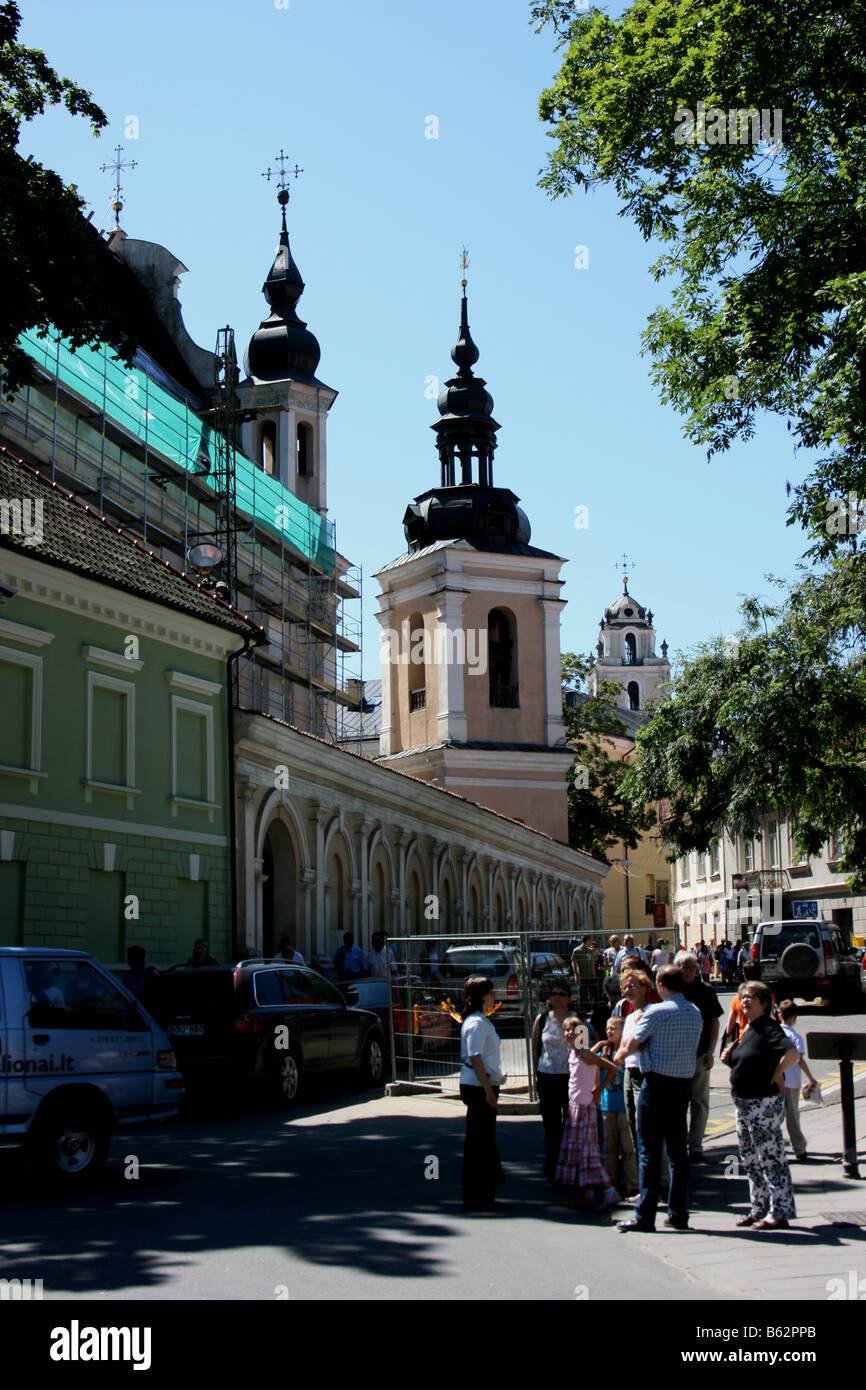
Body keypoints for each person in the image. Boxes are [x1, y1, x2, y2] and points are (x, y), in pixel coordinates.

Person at [616, 965, 703, 1233]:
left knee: (649, 1152)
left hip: (655, 1084)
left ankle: (645, 1215)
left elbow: (631, 1045)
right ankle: (679, 1213)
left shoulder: (656, 1012)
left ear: (660, 985)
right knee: (678, 1153)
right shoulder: (695, 1012)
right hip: (682, 1085)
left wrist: (619, 1055)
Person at [721, 980, 800, 1229]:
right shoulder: (749, 1029)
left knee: (770, 1156)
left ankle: (781, 1209)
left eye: (751, 997)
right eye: (743, 997)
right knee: (750, 1159)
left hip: (762, 1103)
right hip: (743, 1104)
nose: (745, 1001)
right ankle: (758, 1207)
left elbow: (792, 1053)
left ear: (764, 1003)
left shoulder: (768, 1027)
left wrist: (778, 1072)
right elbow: (747, 1061)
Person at [554, 1016, 620, 1211]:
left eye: (574, 1029)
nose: (569, 1033)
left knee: (588, 1153)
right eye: (566, 1029)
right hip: (575, 1106)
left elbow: (612, 1068)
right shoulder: (575, 1054)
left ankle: (609, 1191)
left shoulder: (584, 1054)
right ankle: (588, 1193)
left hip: (584, 1108)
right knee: (582, 1154)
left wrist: (598, 1090)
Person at [459, 976, 505, 1212]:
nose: (494, 996)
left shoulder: (479, 1020)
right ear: (481, 995)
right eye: (490, 992)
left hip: (481, 1085)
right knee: (481, 1141)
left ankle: (480, 1193)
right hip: (479, 1086)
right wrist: (489, 1092)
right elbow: (475, 1058)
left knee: (481, 1140)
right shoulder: (476, 1023)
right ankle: (479, 1195)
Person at [674, 951, 723, 1163]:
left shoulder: (706, 991)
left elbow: (714, 1022)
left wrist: (711, 1052)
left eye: (690, 967)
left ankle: (695, 1145)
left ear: (697, 969)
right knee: (678, 1103)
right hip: (675, 1057)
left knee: (699, 1102)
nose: (687, 971)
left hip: (700, 1055)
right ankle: (679, 1143)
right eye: (683, 967)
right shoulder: (672, 990)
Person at [531, 981, 574, 1186]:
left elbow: (583, 1051)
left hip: (570, 1078)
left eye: (562, 994)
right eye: (554, 994)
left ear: (569, 998)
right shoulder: (541, 1020)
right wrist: (538, 1075)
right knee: (551, 1126)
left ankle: (570, 1166)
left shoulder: (577, 1021)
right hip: (548, 1077)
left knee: (571, 1125)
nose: (557, 997)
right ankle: (553, 1166)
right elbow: (536, 1049)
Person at [593, 1016, 639, 1197]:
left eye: (614, 1028)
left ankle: (632, 1183)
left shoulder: (627, 1050)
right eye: (608, 1028)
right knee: (609, 1147)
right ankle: (611, 1182)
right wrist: (598, 1047)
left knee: (628, 1147)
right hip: (607, 1104)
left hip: (624, 1106)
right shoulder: (604, 1051)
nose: (610, 1032)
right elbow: (587, 1059)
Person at [777, 1000, 819, 1163]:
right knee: (793, 1117)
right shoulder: (795, 1036)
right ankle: (799, 1149)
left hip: (777, 1081)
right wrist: (811, 1078)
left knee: (776, 1116)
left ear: (780, 1015)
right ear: (795, 1017)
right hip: (793, 1082)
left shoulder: (775, 1033)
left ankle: (773, 1145)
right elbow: (799, 1059)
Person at [589, 975, 620, 1042]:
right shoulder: (599, 1013)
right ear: (606, 993)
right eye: (613, 993)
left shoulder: (627, 1010)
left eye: (620, 993)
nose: (617, 997)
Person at [570, 937, 596, 1011]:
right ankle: (583, 1010)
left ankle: (592, 1009)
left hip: (591, 976)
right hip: (582, 976)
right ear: (586, 940)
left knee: (592, 994)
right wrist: (576, 975)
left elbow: (593, 962)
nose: (591, 942)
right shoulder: (577, 950)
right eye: (590, 940)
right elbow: (573, 963)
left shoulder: (590, 951)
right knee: (582, 994)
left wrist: (594, 973)